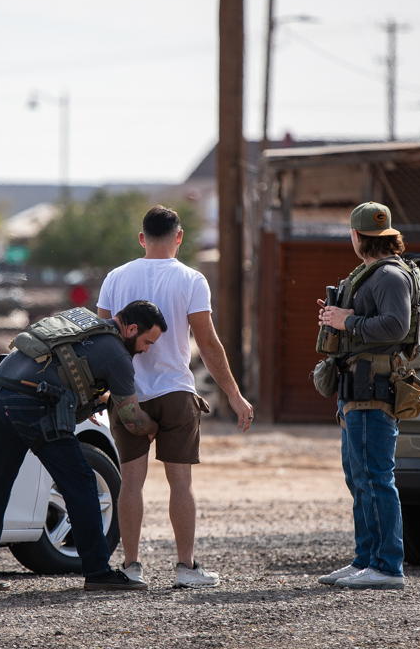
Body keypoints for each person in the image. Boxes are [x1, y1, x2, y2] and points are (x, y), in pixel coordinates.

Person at [96, 205, 254, 589]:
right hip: (176, 392)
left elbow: (98, 339)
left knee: (130, 483)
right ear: (179, 237)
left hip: (126, 392)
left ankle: (132, 566)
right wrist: (233, 394)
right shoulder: (192, 279)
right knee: (180, 483)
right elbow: (208, 342)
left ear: (142, 238)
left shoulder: (115, 277)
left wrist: (96, 394)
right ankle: (186, 568)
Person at [0, 300, 168, 593]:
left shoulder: (83, 322)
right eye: (147, 341)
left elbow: (65, 367)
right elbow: (132, 419)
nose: (147, 349)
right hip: (29, 404)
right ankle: (98, 572)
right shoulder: (117, 355)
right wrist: (156, 426)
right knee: (81, 482)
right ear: (132, 328)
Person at [316, 202, 414, 591]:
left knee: (374, 478)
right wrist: (337, 320)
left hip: (373, 388)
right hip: (356, 387)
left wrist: (348, 321)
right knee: (359, 479)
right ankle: (365, 561)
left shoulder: (389, 274)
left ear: (357, 237)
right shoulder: (377, 273)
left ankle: (388, 567)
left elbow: (396, 325)